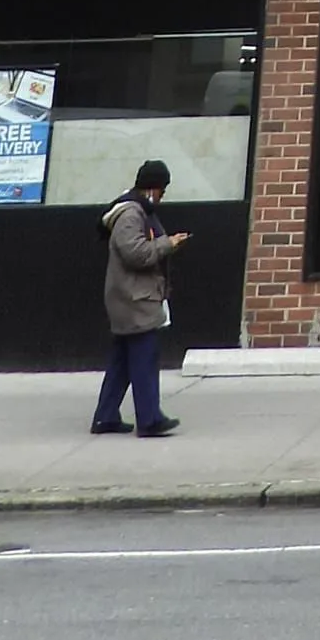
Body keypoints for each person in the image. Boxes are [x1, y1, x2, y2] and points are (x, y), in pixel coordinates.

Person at [91, 159, 187, 437]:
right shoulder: (131, 214)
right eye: (161, 189)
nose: (162, 196)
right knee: (144, 359)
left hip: (129, 296)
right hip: (134, 298)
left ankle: (105, 416)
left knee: (122, 361)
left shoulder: (135, 210)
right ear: (151, 188)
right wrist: (168, 244)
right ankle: (149, 419)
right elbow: (136, 254)